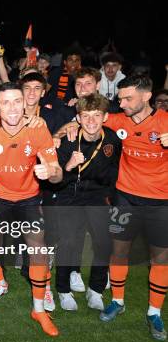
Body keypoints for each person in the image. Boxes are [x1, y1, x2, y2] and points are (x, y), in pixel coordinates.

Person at [0, 82, 63, 337]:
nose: (12, 107)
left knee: (38, 251)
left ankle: (39, 309)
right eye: (6, 102)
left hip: (29, 198)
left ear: (24, 103)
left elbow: (57, 174)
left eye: (16, 101)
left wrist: (51, 172)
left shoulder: (38, 128)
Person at [95, 75, 168, 341]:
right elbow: (87, 119)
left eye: (128, 98)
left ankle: (154, 312)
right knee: (119, 252)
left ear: (147, 97)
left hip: (161, 202)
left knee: (160, 258)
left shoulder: (165, 122)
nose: (122, 103)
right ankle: (117, 300)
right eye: (120, 98)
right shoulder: (120, 120)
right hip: (125, 198)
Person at [52, 94, 121, 312]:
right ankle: (63, 290)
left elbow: (113, 173)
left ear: (105, 117)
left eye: (96, 115)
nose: (91, 121)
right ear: (78, 119)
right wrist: (69, 166)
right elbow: (54, 180)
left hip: (97, 196)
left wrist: (110, 200)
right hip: (70, 194)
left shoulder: (112, 141)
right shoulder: (68, 140)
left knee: (104, 243)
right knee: (69, 242)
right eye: (86, 116)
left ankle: (96, 290)